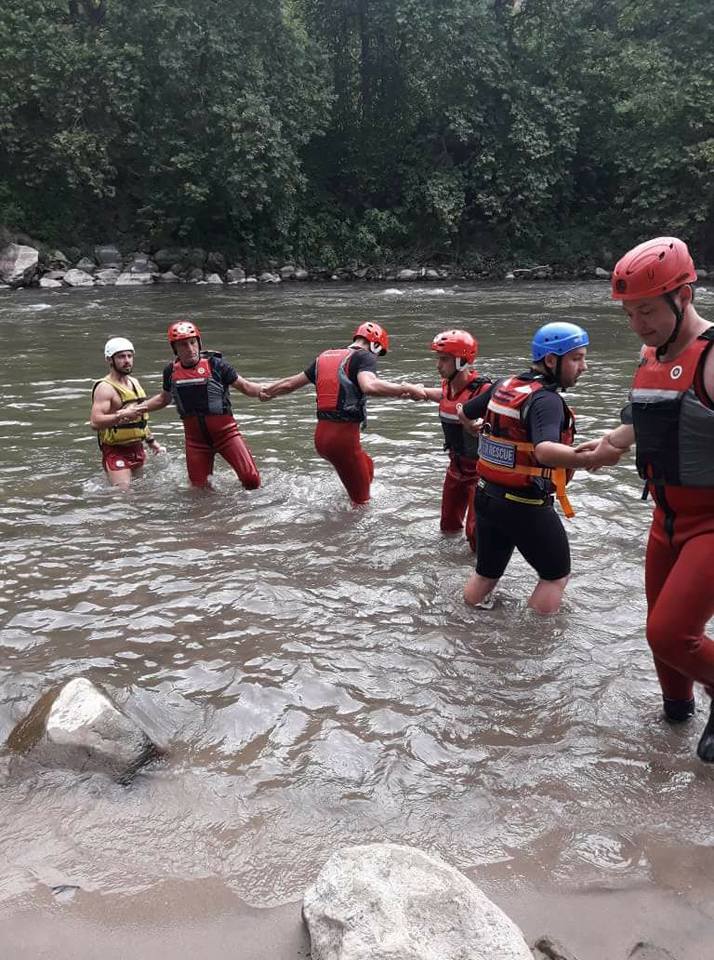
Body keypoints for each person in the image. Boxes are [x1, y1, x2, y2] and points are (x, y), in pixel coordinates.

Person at [577, 236, 714, 762]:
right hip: (666, 516)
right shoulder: (650, 356)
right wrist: (607, 445)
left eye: (649, 311)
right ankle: (676, 719)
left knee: (671, 632)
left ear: (684, 295)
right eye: (630, 314)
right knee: (659, 627)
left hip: (710, 521)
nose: (639, 325)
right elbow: (642, 417)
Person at [458, 321, 596, 614]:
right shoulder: (547, 401)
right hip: (523, 505)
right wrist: (587, 459)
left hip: (486, 498)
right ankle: (536, 644)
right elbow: (545, 452)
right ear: (551, 360)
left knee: (487, 573)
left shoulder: (504, 385)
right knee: (555, 576)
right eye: (577, 358)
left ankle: (462, 626)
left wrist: (473, 428)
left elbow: (464, 411)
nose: (584, 367)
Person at [261, 322, 427, 505]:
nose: (376, 358)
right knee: (363, 504)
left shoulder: (324, 357)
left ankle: (342, 518)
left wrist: (268, 391)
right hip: (342, 441)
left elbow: (289, 384)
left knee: (368, 466)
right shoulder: (364, 357)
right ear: (375, 345)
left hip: (321, 439)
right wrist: (407, 387)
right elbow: (369, 386)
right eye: (379, 353)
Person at [139, 321, 263, 489]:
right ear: (175, 349)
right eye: (183, 345)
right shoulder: (170, 371)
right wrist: (137, 409)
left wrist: (271, 390)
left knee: (252, 481)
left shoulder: (217, 365)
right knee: (199, 492)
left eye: (192, 343)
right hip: (195, 441)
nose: (190, 349)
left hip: (227, 435)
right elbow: (163, 399)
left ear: (199, 343)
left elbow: (247, 387)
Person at [423, 329, 491, 550]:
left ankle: (482, 574)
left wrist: (478, 428)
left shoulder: (484, 391)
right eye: (438, 359)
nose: (438, 365)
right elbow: (428, 394)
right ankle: (449, 569)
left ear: (462, 361)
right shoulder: (446, 389)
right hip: (456, 468)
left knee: (475, 535)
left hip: (480, 473)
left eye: (444, 360)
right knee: (448, 528)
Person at [90, 337, 165, 490]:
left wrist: (152, 442)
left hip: (137, 448)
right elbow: (95, 422)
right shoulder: (105, 388)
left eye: (129, 356)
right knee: (123, 494)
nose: (127, 361)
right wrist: (120, 415)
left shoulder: (134, 383)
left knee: (142, 492)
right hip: (115, 450)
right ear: (109, 360)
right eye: (121, 357)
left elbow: (141, 419)